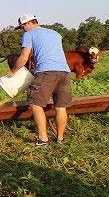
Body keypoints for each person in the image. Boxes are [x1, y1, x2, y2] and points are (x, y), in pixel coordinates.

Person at [6, 13, 72, 146]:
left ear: (28, 23)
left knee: (35, 104)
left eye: (23, 26)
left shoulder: (29, 34)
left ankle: (43, 139)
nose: (23, 30)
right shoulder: (55, 33)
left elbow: (24, 56)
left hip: (46, 73)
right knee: (60, 106)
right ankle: (60, 139)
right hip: (64, 72)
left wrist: (13, 72)